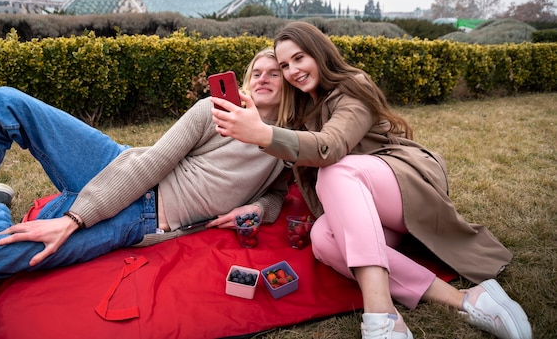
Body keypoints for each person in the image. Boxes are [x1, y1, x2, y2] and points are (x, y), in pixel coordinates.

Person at [210, 22, 532, 339]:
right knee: (322, 237)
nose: (293, 70)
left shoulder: (354, 85)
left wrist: (264, 135)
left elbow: (330, 147)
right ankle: (467, 300)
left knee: (336, 170)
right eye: (285, 65)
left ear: (319, 53)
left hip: (406, 183)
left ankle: (381, 315)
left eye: (299, 58)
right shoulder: (303, 107)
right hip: (368, 208)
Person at [0, 47, 288, 286]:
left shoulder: (287, 146)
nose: (262, 78)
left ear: (289, 85)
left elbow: (277, 193)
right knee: (3, 102)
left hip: (140, 216)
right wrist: (73, 219)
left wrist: (258, 207)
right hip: (125, 167)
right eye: (256, 72)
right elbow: (153, 162)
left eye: (274, 73)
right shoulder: (216, 111)